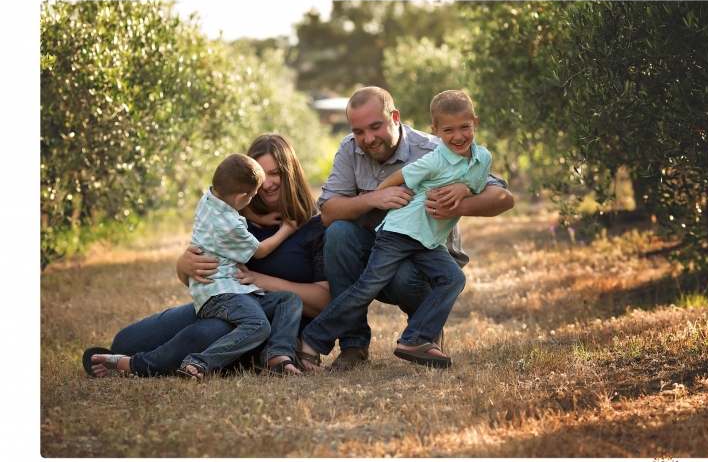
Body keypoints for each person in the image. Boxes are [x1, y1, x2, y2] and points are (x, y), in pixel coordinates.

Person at [302, 86, 515, 371]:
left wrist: (459, 201)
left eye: (376, 126)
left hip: (423, 254)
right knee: (339, 234)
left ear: (395, 117)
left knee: (435, 276)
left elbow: (502, 196)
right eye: (359, 131)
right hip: (390, 240)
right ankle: (350, 344)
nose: (368, 138)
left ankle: (421, 335)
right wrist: (374, 198)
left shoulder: (437, 148)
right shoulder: (350, 148)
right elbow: (327, 213)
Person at [83, 134, 329, 378]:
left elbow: (324, 302)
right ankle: (133, 357)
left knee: (212, 331)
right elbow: (206, 269)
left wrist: (263, 281)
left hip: (265, 318)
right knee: (125, 340)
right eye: (261, 176)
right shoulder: (233, 214)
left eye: (275, 173)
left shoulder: (313, 225)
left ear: (290, 172)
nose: (267, 184)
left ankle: (146, 364)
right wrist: (184, 266)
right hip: (227, 302)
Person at [176, 152, 303, 380]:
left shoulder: (209, 198)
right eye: (252, 196)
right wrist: (287, 229)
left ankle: (277, 355)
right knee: (258, 326)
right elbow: (261, 250)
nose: (254, 199)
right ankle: (200, 361)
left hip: (230, 289)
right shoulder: (227, 226)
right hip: (219, 294)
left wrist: (262, 220)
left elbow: (234, 213)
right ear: (241, 196)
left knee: (289, 299)